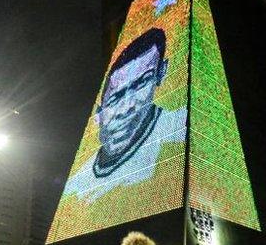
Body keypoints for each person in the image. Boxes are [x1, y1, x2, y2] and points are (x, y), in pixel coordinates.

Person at [62, 27, 187, 203]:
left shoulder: (182, 132)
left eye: (141, 83)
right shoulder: (76, 187)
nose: (127, 107)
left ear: (161, 73)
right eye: (115, 98)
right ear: (99, 113)